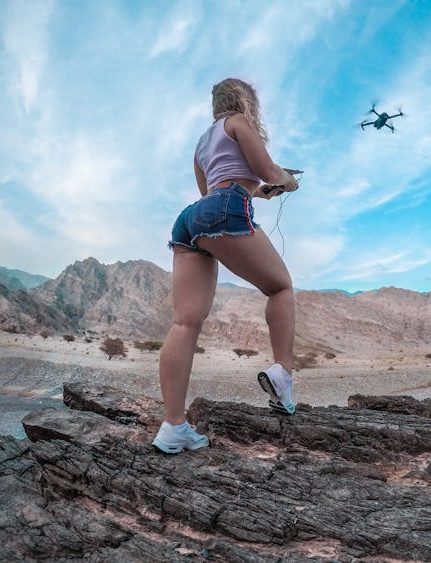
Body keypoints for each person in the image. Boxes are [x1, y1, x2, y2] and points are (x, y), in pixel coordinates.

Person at [152, 78, 299, 454]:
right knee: (280, 288)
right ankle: (282, 372)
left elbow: (213, 192)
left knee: (184, 323)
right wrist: (285, 181)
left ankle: (173, 427)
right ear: (243, 101)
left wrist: (259, 193)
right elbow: (268, 170)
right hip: (225, 208)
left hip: (192, 219)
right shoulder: (238, 122)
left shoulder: (202, 142)